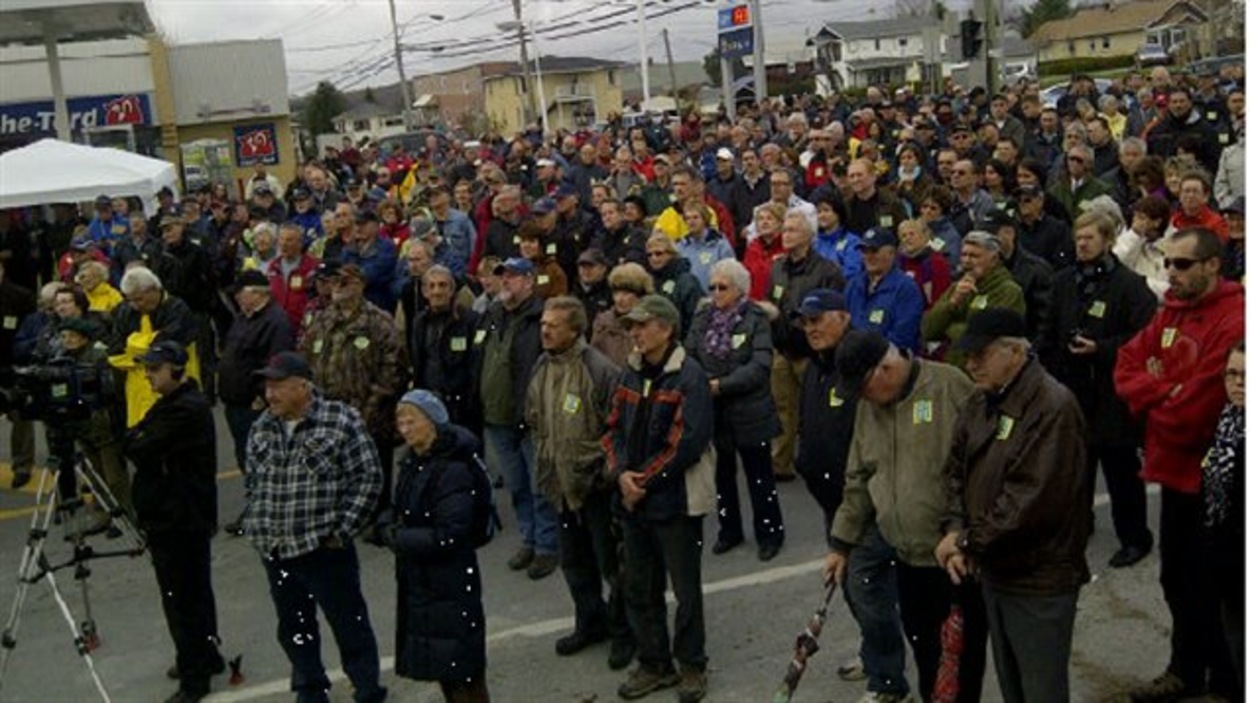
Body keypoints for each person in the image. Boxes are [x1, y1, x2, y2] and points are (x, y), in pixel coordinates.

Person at [1114, 227, 1244, 701]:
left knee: (1219, 588)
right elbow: (1127, 365)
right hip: (1172, 473)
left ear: (1212, 265)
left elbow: (1195, 412)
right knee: (1176, 579)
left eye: (1182, 264)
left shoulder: (1234, 318)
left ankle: (1228, 681)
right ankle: (1187, 669)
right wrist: (1162, 391)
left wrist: (1159, 393)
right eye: (1167, 263)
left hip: (1214, 478)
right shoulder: (1169, 310)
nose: (1170, 272)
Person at [936, 309, 1093, 703]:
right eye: (968, 354)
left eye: (981, 354)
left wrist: (968, 543)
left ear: (1014, 352)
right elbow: (955, 469)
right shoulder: (982, 399)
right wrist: (954, 528)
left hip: (1038, 578)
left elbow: (1031, 502)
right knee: (1013, 686)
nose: (970, 363)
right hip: (994, 568)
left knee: (1040, 688)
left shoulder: (1052, 407)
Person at [824, 330, 982, 703]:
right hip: (907, 560)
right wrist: (841, 544)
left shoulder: (949, 387)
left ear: (887, 367)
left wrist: (962, 533)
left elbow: (984, 470)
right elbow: (859, 478)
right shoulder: (870, 406)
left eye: (863, 386)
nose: (861, 398)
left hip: (954, 559)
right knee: (927, 655)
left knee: (961, 659)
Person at [242, 352, 388, 703]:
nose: (270, 393)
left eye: (278, 385)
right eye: (267, 385)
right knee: (294, 628)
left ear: (303, 386)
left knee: (349, 624)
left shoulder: (340, 420)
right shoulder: (262, 426)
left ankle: (367, 687)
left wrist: (341, 531)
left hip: (324, 550)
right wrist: (257, 524)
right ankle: (309, 688)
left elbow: (368, 478)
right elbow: (253, 482)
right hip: (277, 549)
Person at [605, 294, 714, 703]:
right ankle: (654, 663)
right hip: (634, 501)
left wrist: (640, 482)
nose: (634, 333)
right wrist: (621, 476)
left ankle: (691, 665)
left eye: (641, 325)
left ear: (666, 329)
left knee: (686, 593)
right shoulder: (630, 373)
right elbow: (612, 427)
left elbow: (686, 442)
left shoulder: (689, 376)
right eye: (631, 326)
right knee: (639, 586)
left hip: (674, 504)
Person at [1041, 211, 1157, 568]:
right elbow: (1048, 329)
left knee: (1121, 474)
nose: (1082, 243)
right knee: (1076, 470)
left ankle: (1135, 538)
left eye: (1090, 237)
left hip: (1114, 395)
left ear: (1108, 240)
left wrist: (1101, 348)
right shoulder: (1063, 282)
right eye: (1079, 237)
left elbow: (1143, 338)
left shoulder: (1130, 285)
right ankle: (1080, 524)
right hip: (1072, 390)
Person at [525, 297, 635, 670]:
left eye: (553, 325)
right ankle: (590, 623)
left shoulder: (598, 369)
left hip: (595, 490)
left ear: (575, 330)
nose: (545, 330)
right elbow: (535, 418)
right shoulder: (542, 365)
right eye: (543, 323)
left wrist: (602, 473)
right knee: (574, 564)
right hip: (560, 485)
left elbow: (617, 430)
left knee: (612, 567)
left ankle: (624, 634)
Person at [125, 340, 225, 703]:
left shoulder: (184, 409)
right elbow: (136, 436)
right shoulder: (171, 405)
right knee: (194, 593)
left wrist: (139, 438)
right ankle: (207, 655)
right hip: (176, 514)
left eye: (154, 369)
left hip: (179, 518)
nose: (149, 375)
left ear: (176, 370)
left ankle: (194, 674)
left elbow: (137, 445)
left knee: (182, 597)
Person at [386, 390, 491, 703]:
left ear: (433, 422)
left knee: (464, 673)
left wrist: (396, 538)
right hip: (425, 583)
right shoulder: (415, 461)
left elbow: (450, 534)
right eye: (400, 420)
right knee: (447, 669)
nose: (404, 428)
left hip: (449, 583)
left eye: (412, 420)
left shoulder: (452, 469)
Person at [686, 259, 784, 561]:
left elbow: (760, 365)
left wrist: (722, 385)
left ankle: (770, 533)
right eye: (713, 286)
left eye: (722, 287)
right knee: (722, 477)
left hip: (750, 410)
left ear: (739, 289)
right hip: (715, 413)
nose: (715, 292)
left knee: (759, 477)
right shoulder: (702, 317)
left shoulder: (756, 318)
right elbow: (690, 352)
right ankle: (729, 530)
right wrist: (704, 383)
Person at [299, 263, 408, 516]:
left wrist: (369, 408)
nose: (337, 287)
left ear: (360, 285)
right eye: (333, 282)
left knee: (373, 469)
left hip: (369, 413)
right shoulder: (323, 319)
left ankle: (377, 516)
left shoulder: (378, 321)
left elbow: (393, 369)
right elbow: (305, 357)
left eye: (344, 282)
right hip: (328, 413)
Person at [475, 257, 559, 580]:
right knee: (517, 485)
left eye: (512, 276)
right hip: (496, 416)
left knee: (539, 485)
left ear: (528, 281)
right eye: (502, 276)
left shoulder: (540, 318)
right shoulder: (493, 315)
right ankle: (529, 538)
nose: (505, 281)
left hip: (528, 416)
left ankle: (547, 546)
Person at [762, 212, 846, 483]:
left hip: (813, 352)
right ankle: (780, 464)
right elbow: (770, 301)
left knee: (814, 413)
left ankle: (820, 463)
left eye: (793, 230)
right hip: (782, 348)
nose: (785, 234)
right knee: (781, 408)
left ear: (809, 236)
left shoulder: (827, 270)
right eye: (784, 229)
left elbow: (833, 312)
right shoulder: (777, 268)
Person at [217, 269, 294, 534]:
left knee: (260, 459)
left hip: (253, 404)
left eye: (242, 292)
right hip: (233, 401)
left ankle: (266, 510)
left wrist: (263, 397)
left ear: (258, 293)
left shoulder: (276, 321)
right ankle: (256, 505)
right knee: (245, 458)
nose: (237, 297)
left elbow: (276, 361)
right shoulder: (242, 318)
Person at [1201, 342, 1245, 691]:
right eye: (1232, 374)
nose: (1238, 383)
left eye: (1246, 376)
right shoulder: (1229, 419)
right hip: (1228, 556)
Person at [108, 267, 201, 427]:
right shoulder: (125, 312)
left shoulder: (177, 309)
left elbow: (168, 349)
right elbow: (115, 353)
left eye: (139, 299)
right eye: (130, 300)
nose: (135, 305)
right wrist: (146, 347)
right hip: (137, 393)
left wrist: (133, 344)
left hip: (173, 387)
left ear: (153, 290)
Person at [922, 231, 1026, 369]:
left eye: (974, 256)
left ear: (994, 259)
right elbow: (928, 330)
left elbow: (988, 337)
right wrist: (952, 303)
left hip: (987, 372)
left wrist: (950, 329)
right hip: (954, 369)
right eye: (964, 255)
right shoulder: (957, 287)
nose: (967, 261)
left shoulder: (1008, 291)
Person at [846, 228, 924, 352]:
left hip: (889, 362)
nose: (868, 256)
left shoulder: (906, 288)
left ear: (892, 253)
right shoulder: (854, 284)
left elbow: (902, 337)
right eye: (864, 251)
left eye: (874, 251)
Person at [592, 262, 654, 367]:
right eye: (616, 293)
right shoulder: (603, 322)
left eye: (626, 293)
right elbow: (594, 359)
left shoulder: (652, 322)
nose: (619, 299)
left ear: (640, 295)